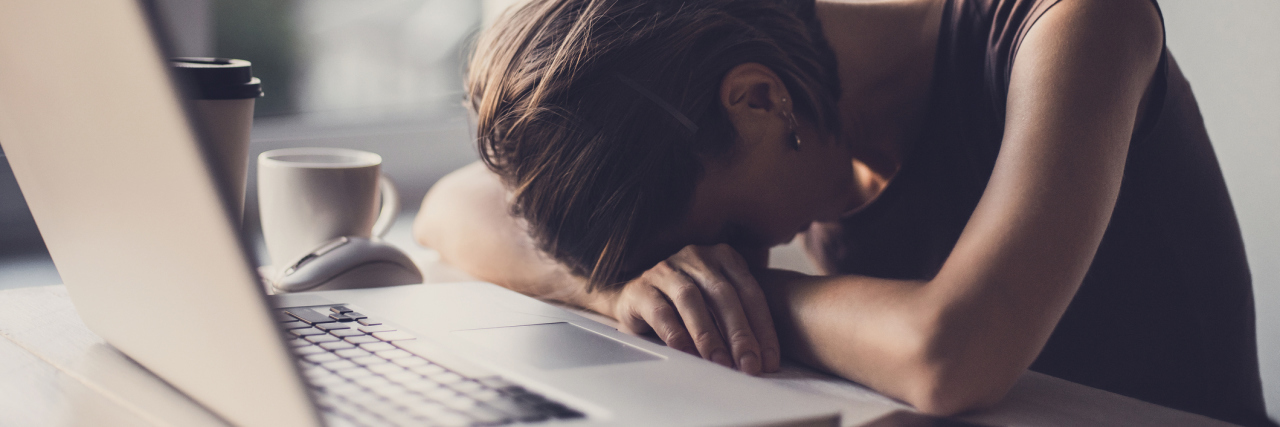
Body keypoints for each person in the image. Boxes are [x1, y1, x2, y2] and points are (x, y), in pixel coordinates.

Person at [415, 0, 1274, 424]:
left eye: (728, 239)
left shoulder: (1074, 26)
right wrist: (623, 289)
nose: (731, 259)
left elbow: (952, 354)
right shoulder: (797, 87)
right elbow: (453, 206)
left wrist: (743, 295)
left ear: (757, 100)